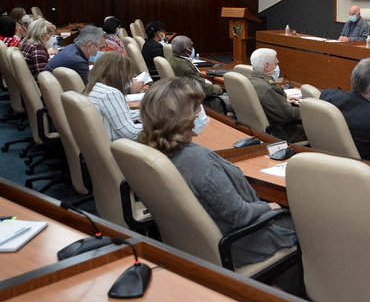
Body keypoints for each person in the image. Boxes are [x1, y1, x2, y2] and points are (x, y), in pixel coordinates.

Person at [139, 77, 297, 269]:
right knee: (310, 222)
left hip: (196, 244)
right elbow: (240, 216)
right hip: (244, 243)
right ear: (185, 117)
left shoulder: (153, 149)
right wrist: (269, 207)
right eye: (197, 108)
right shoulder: (198, 161)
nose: (201, 113)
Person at [248, 48, 306, 143]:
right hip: (279, 133)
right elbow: (289, 114)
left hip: (257, 129)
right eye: (276, 63)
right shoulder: (268, 88)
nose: (278, 63)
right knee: (318, 130)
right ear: (267, 66)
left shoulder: (250, 80)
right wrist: (308, 110)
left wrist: (281, 100)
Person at [84, 52, 145, 141]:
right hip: (119, 147)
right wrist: (159, 126)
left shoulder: (93, 88)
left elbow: (122, 115)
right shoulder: (110, 94)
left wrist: (148, 114)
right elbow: (130, 132)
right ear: (118, 73)